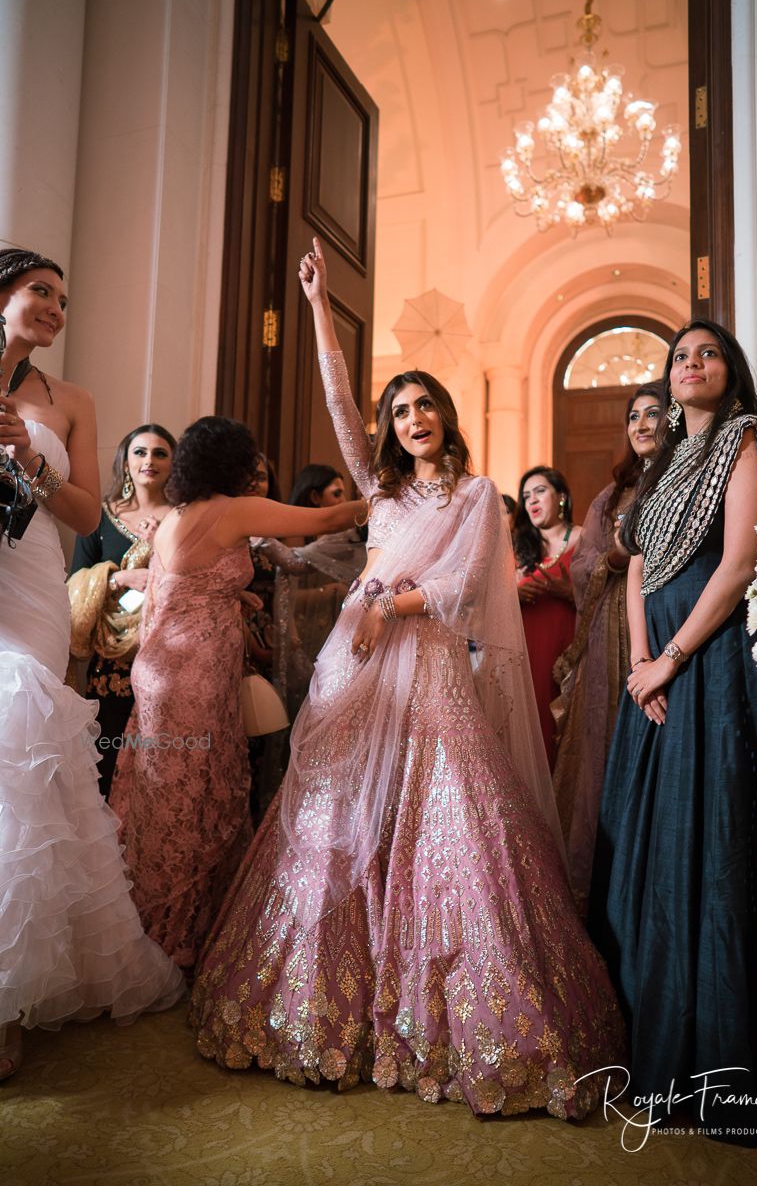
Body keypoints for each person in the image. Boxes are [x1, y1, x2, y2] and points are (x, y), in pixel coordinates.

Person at [188, 237, 624, 1121]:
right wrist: (316, 305)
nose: (412, 418)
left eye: (425, 405)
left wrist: (396, 605)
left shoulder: (473, 494)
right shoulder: (380, 493)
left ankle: (455, 1019)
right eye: (402, 409)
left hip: (420, 666)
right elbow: (342, 407)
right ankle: (319, 1009)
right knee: (335, 820)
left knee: (450, 821)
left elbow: (469, 586)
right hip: (356, 673)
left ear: (446, 415)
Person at [588, 320, 757, 1142]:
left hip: (714, 675)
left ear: (731, 371)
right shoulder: (669, 462)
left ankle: (721, 1068)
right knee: (648, 852)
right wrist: (640, 662)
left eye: (707, 353)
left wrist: (672, 657)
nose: (692, 364)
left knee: (712, 846)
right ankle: (655, 1054)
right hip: (655, 679)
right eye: (680, 356)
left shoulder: (746, 437)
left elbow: (742, 561)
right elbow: (640, 562)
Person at [0, 248, 184, 1080]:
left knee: (17, 754)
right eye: (41, 291)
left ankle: (8, 996)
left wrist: (28, 460)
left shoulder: (67, 400)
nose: (54, 309)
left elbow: (81, 513)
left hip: (30, 583)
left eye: (62, 301)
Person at [108, 417, 365, 971]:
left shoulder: (176, 515)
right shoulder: (234, 509)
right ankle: (179, 934)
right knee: (197, 794)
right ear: (232, 462)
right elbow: (326, 517)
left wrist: (235, 599)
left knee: (161, 793)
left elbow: (171, 584)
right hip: (194, 673)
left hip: (161, 671)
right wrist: (390, 493)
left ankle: (146, 921)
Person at [550, 387, 661, 912]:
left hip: (666, 628)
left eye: (653, 413)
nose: (640, 424)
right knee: (602, 747)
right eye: (632, 417)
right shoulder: (609, 496)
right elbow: (581, 565)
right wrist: (615, 558)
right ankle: (602, 892)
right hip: (608, 630)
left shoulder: (686, 477)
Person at [68, 424, 176, 795]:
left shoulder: (183, 518)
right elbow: (74, 583)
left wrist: (159, 544)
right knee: (108, 754)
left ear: (174, 462)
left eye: (160, 453)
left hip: (169, 652)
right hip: (112, 660)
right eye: (140, 452)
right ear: (125, 461)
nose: (149, 460)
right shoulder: (97, 518)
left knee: (162, 757)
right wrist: (118, 578)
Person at [278, 462, 366, 716]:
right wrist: (329, 593)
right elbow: (284, 597)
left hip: (336, 632)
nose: (344, 500)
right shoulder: (293, 540)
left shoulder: (346, 541)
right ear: (315, 497)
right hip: (303, 637)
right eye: (336, 493)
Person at [513, 467, 582, 767]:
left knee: (565, 732)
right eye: (526, 496)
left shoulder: (584, 538)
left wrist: (569, 591)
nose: (531, 500)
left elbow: (608, 598)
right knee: (531, 729)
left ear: (562, 497)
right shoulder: (519, 550)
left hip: (568, 654)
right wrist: (512, 596)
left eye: (540, 491)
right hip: (525, 653)